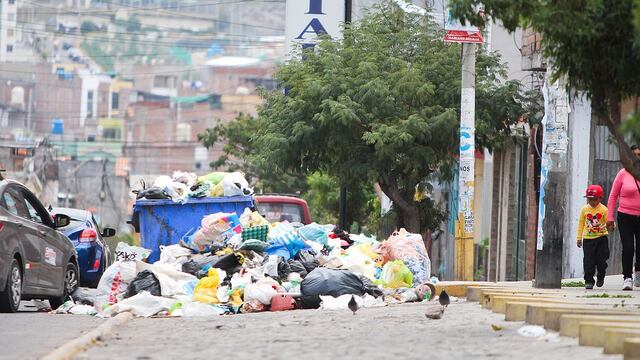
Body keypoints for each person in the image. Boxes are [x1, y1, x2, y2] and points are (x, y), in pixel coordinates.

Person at [607, 144, 640, 290]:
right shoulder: (623, 173)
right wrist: (610, 217)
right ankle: (627, 277)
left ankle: (638, 274)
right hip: (625, 215)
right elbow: (613, 196)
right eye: (635, 155)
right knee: (628, 247)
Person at [577, 185, 610, 289]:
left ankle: (601, 276)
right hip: (588, 240)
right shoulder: (584, 210)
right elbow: (581, 224)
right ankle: (589, 280)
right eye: (589, 199)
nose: (592, 202)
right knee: (588, 261)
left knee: (601, 261)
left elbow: (609, 222)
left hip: (601, 238)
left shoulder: (604, 210)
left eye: (594, 199)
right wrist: (579, 238)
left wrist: (611, 225)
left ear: (600, 198)